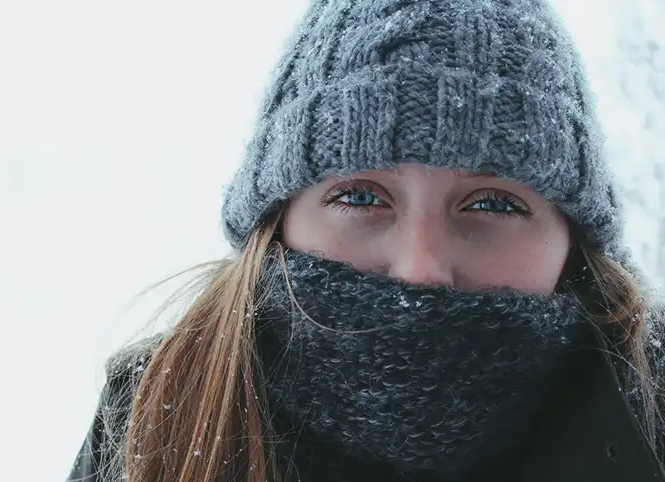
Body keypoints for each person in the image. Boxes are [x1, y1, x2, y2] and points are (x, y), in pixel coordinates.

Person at [67, 0, 665, 481]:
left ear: (574, 237)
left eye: (493, 203)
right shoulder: (157, 416)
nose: (420, 270)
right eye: (359, 197)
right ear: (276, 221)